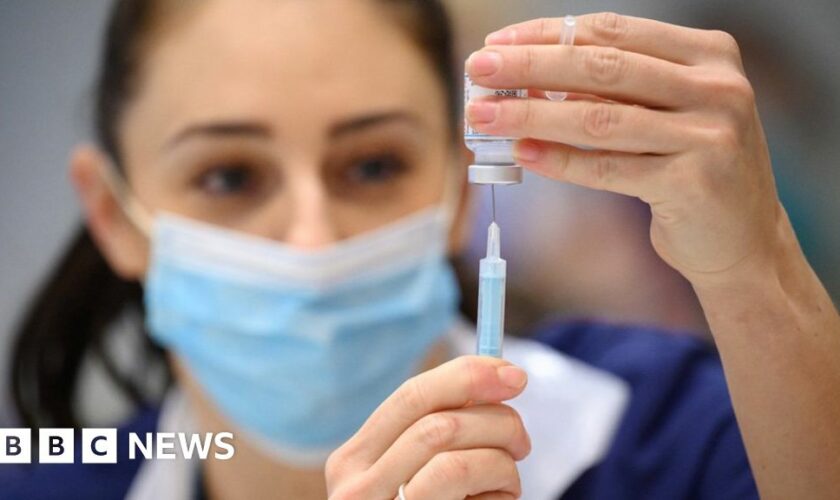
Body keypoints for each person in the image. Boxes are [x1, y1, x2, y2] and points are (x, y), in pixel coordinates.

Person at [3, 1, 839, 499]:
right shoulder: (48, 483)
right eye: (228, 177)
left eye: (372, 165)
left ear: (459, 193)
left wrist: (756, 268)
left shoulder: (672, 433)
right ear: (115, 216)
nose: (312, 242)